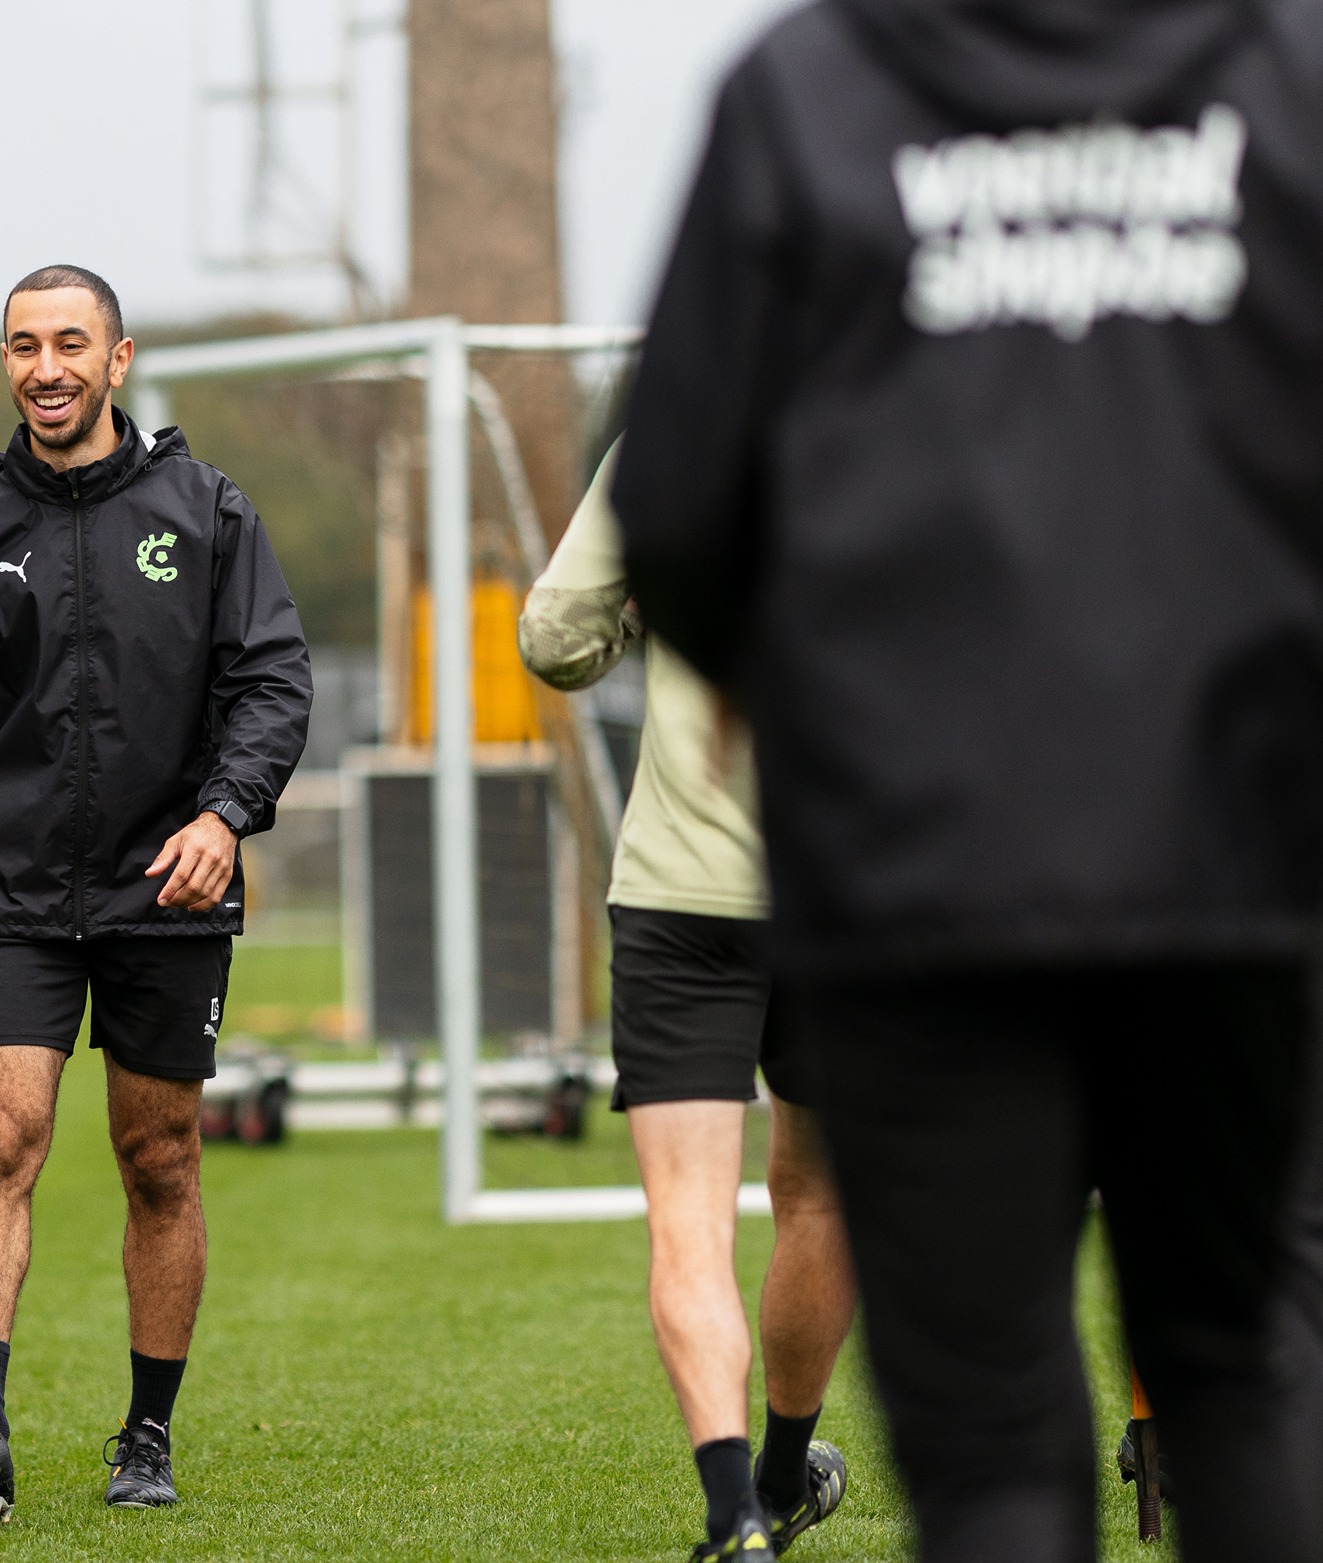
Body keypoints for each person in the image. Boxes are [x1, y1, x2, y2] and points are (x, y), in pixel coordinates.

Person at [613, 1, 1323, 1556]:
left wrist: (801, 702)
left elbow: (669, 505)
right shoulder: (1285, 75)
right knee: (1236, 1371)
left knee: (993, 1428)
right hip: (1225, 854)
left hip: (916, 864)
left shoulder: (808, 85)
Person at [0, 264, 311, 1519]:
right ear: (5, 365)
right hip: (8, 898)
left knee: (159, 1161)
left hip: (165, 898)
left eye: (72, 342)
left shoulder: (211, 513)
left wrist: (225, 818)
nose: (47, 366)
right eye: (24, 345)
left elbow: (272, 685)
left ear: (120, 360)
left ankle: (146, 1437)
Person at [521, 446, 855, 1560]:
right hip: (855, 889)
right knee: (820, 1197)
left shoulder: (677, 431)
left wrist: (636, 618)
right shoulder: (924, 407)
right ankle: (776, 1475)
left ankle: (733, 1517)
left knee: (688, 1223)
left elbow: (553, 636)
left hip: (679, 897)